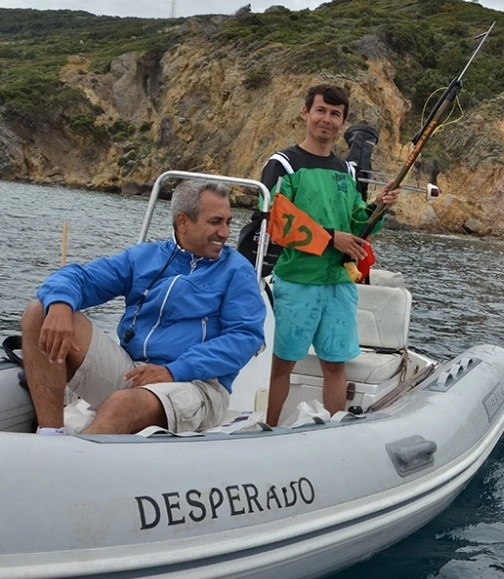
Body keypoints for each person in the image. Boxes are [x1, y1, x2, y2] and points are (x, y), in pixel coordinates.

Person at [20, 179, 266, 435]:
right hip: (133, 370)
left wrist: (174, 370)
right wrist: (60, 303)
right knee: (39, 312)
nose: (225, 233)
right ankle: (50, 435)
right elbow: (82, 278)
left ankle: (69, 469)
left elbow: (244, 337)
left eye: (228, 222)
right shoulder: (143, 257)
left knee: (121, 403)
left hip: (197, 384)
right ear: (183, 221)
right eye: (215, 222)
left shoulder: (237, 270)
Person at [260, 84, 399, 426]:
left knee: (335, 365)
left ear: (343, 122)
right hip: (296, 282)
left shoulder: (346, 171)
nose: (327, 119)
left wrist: (377, 208)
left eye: (335, 114)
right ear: (305, 112)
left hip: (338, 284)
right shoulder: (283, 164)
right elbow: (277, 221)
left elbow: (355, 222)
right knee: (281, 364)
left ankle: (333, 431)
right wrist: (329, 239)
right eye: (321, 110)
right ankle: (266, 429)